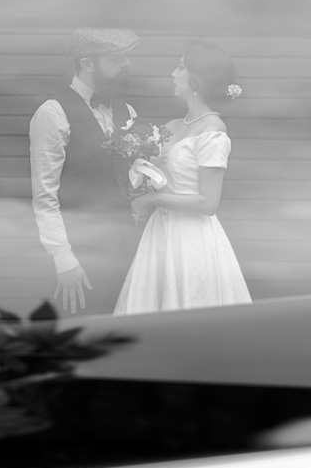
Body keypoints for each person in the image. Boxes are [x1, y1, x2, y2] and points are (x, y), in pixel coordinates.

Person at [114, 40, 251, 314]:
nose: (173, 74)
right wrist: (142, 182)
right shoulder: (171, 127)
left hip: (191, 238)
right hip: (160, 232)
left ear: (198, 77)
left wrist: (154, 198)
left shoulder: (213, 131)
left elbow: (208, 203)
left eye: (180, 67)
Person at [29, 28, 141, 315]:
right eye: (116, 59)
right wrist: (63, 258)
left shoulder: (127, 111)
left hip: (129, 250)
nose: (126, 65)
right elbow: (45, 196)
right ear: (87, 64)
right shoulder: (52, 113)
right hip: (81, 256)